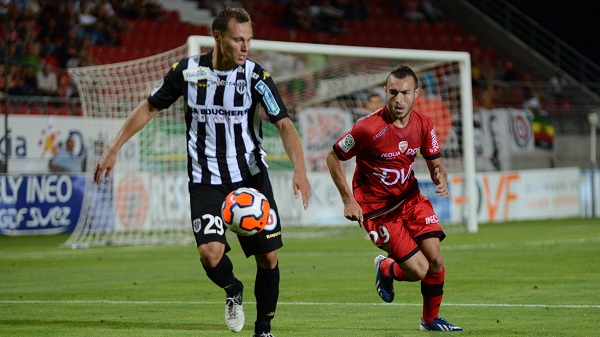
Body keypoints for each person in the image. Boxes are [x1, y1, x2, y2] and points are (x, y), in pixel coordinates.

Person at [93, 7, 311, 337]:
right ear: (218, 38)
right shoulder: (187, 72)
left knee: (268, 257)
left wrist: (301, 170)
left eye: (249, 40)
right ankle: (233, 290)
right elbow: (150, 106)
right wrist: (113, 148)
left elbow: (284, 123)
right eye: (238, 40)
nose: (245, 47)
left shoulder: (255, 76)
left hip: (250, 177)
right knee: (211, 254)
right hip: (206, 179)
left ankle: (263, 329)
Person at [325, 65, 462, 332]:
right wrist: (347, 200)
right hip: (377, 211)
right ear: (386, 93)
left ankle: (430, 321)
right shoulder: (367, 128)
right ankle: (386, 269)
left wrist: (440, 176)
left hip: (410, 198)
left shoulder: (424, 124)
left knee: (435, 259)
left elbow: (436, 165)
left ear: (416, 94)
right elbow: (333, 157)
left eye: (405, 93)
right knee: (418, 270)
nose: (399, 99)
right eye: (393, 92)